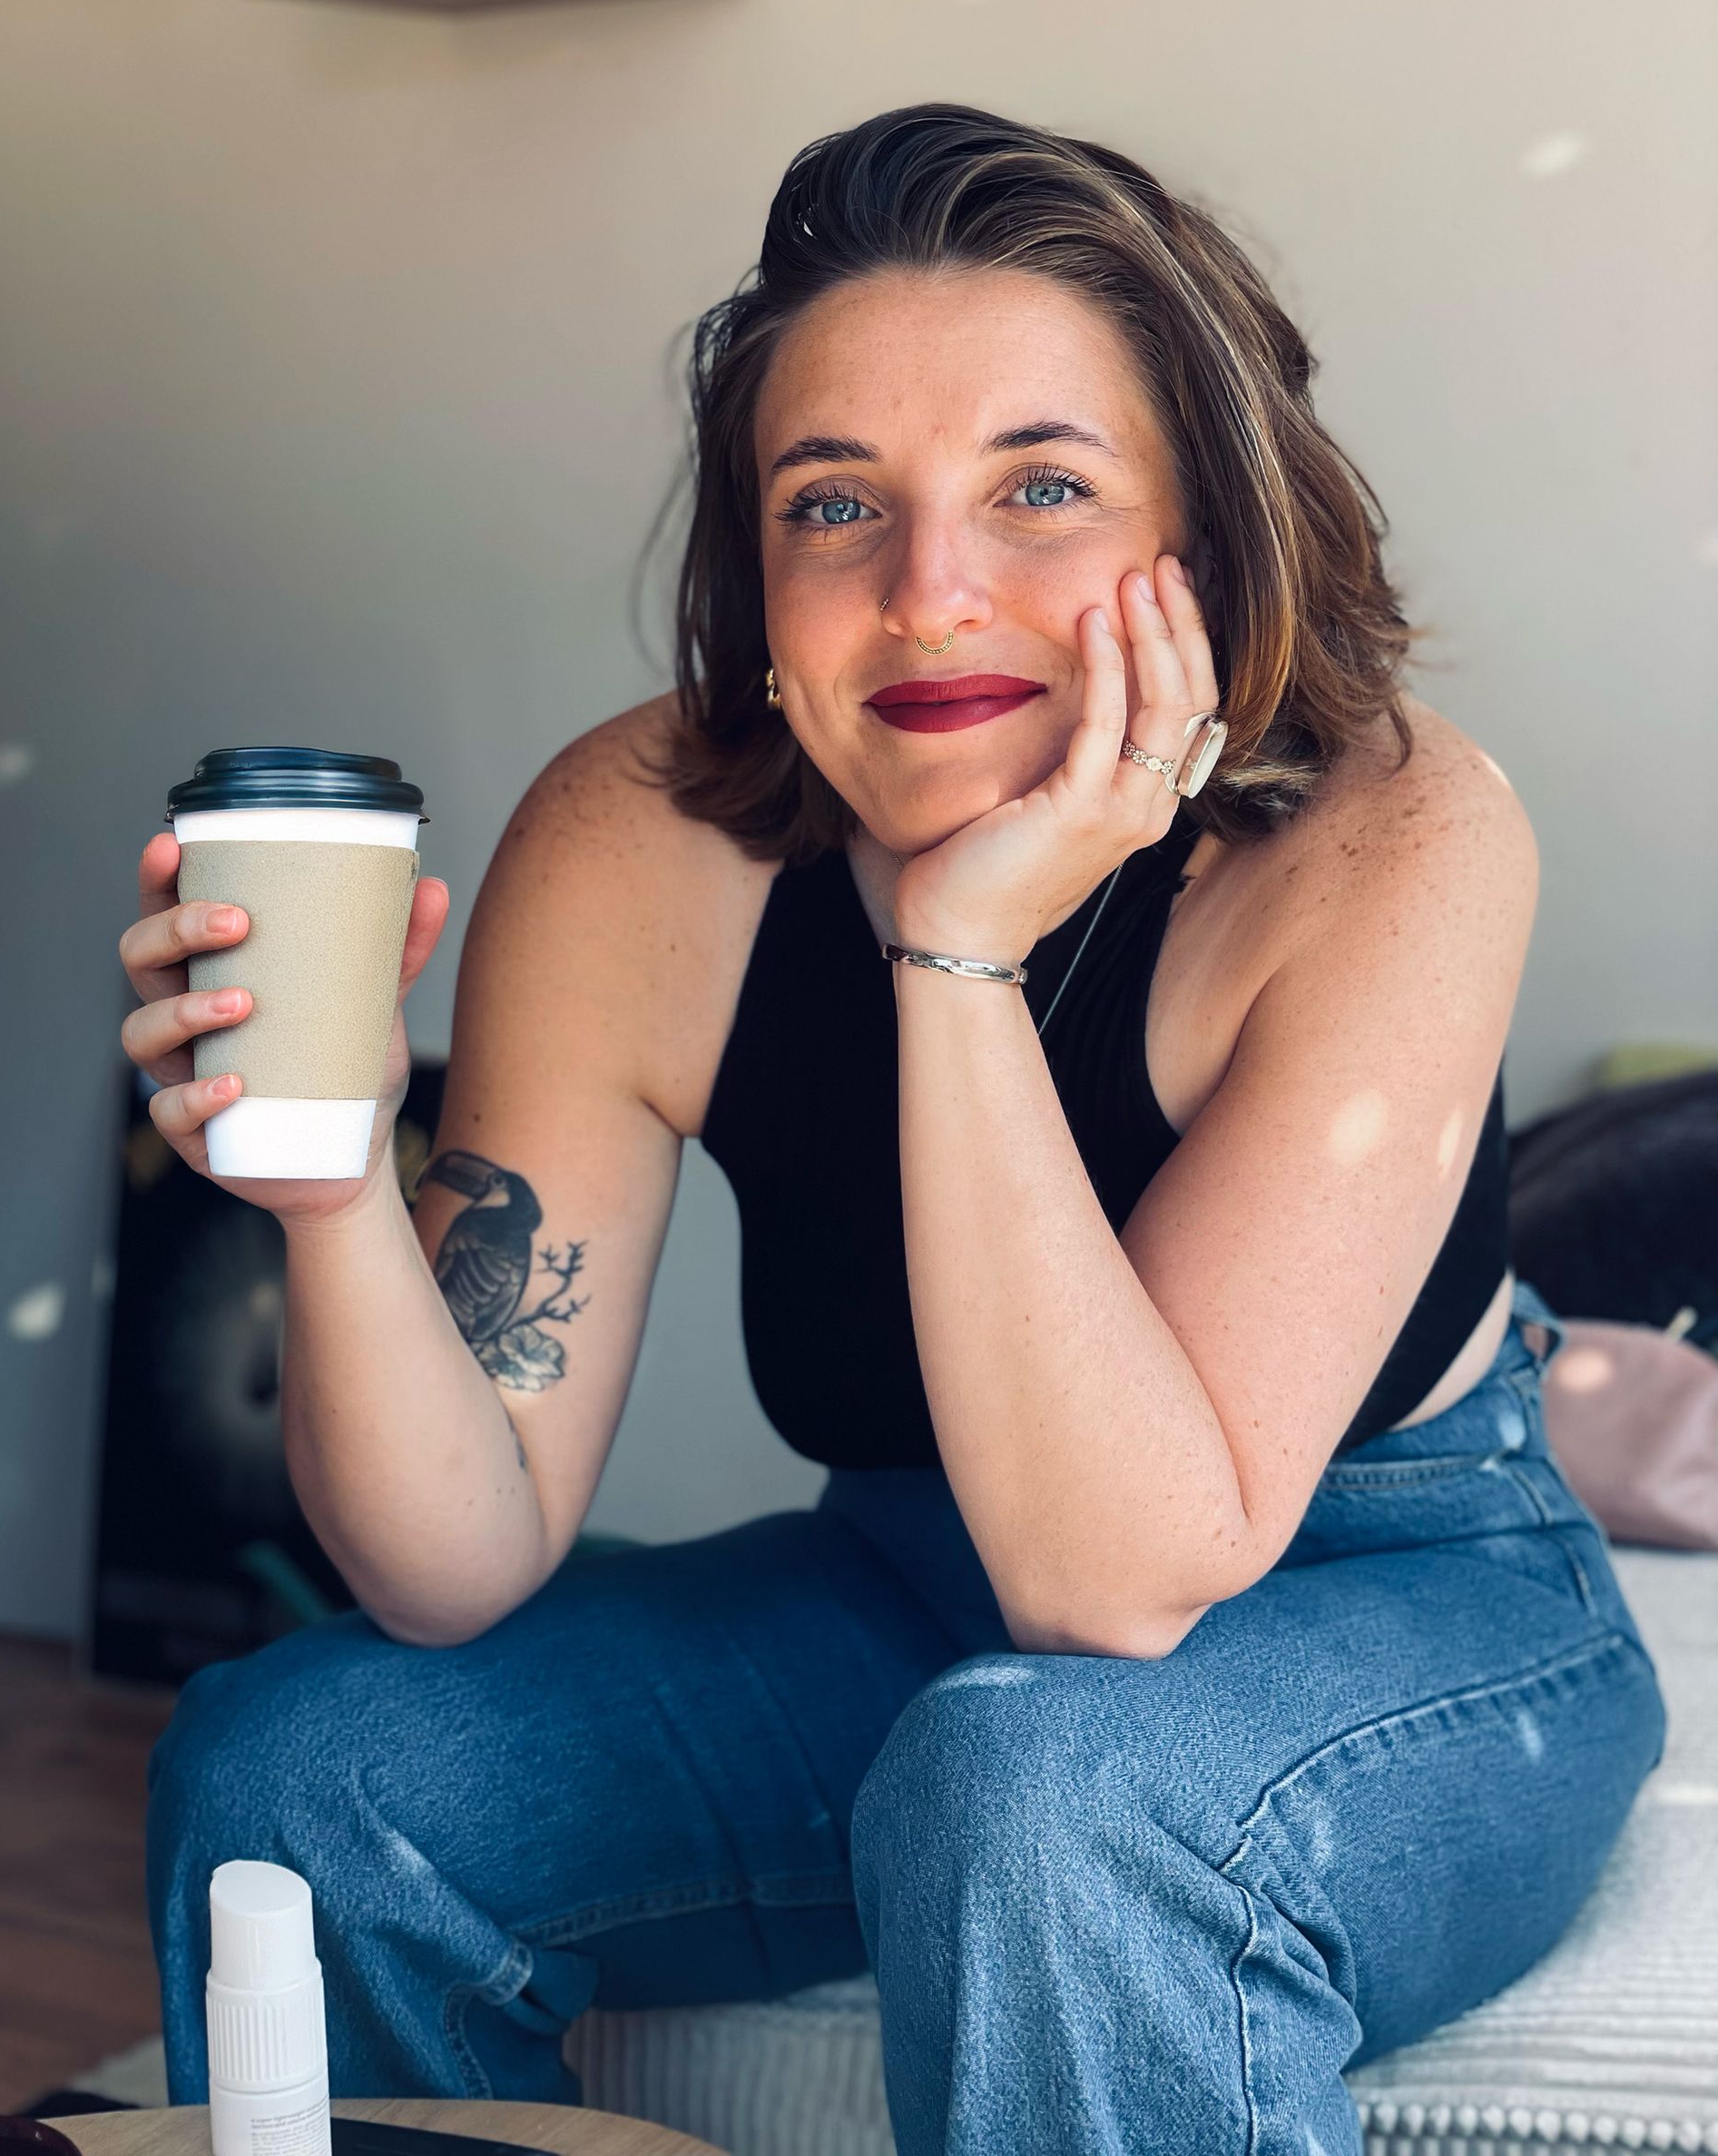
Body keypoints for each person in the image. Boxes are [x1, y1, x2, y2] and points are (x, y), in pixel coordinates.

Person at [127, 104, 1665, 2156]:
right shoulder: (640, 842)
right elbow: (450, 1553)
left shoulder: (1393, 830)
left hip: (1416, 1599)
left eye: (1041, 485)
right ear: (757, 581)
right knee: (300, 1758)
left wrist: (956, 956)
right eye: (835, 503)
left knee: (1040, 1787)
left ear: (1200, 539)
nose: (933, 593)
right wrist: (325, 1206)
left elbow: (1114, 1587)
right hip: (900, 1577)